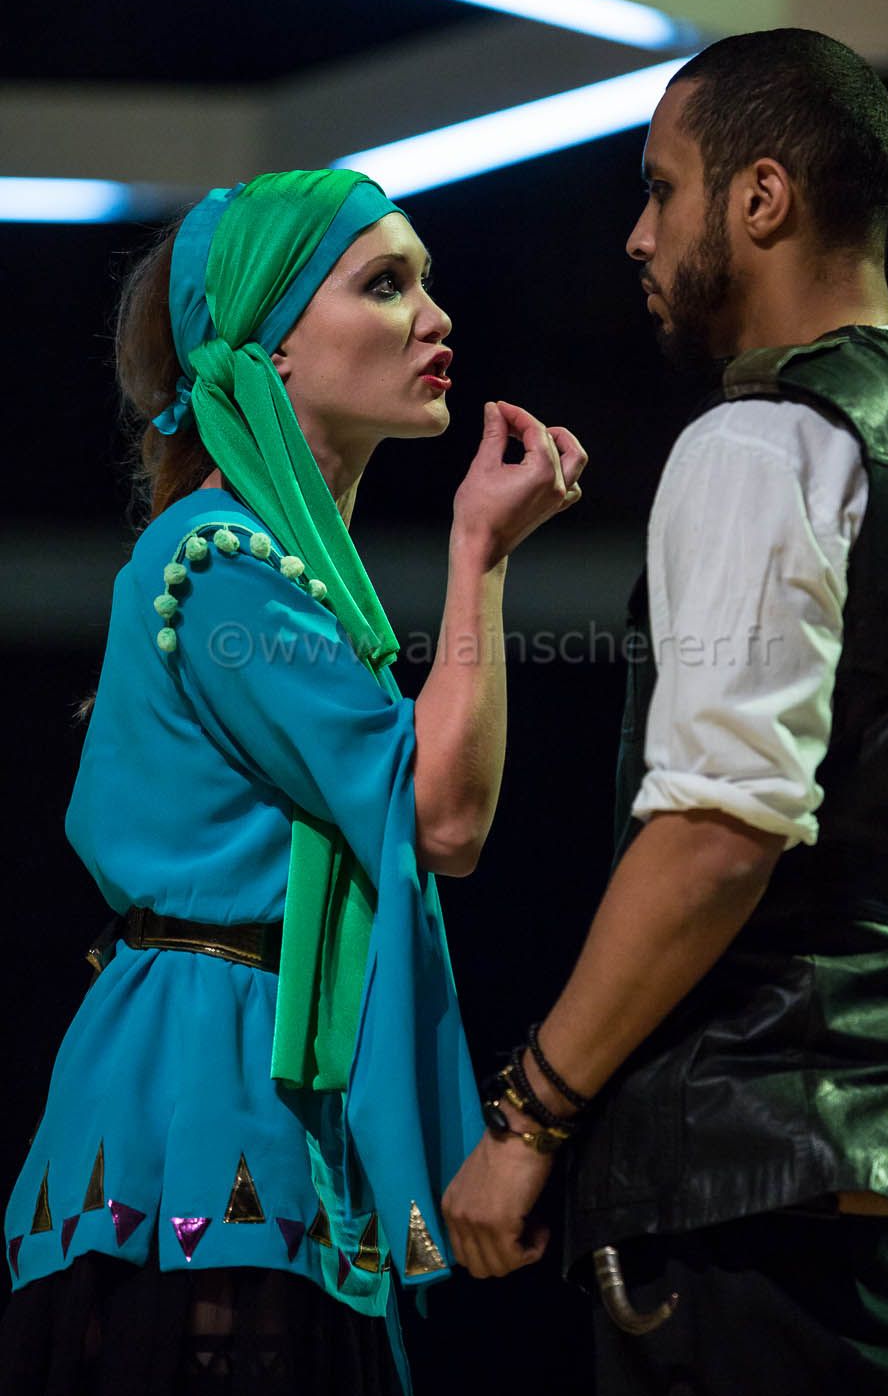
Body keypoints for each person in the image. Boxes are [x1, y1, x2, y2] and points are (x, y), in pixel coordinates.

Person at [443, 28, 888, 1395]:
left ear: (760, 197)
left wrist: (528, 1116)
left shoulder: (760, 437)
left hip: (761, 1188)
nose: (637, 236)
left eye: (662, 188)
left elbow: (714, 833)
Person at [0, 167, 587, 1395]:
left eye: (425, 282)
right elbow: (442, 817)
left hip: (248, 1075)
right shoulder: (217, 564)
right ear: (267, 348)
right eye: (384, 285)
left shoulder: (273, 572)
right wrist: (478, 552)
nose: (434, 318)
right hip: (208, 1093)